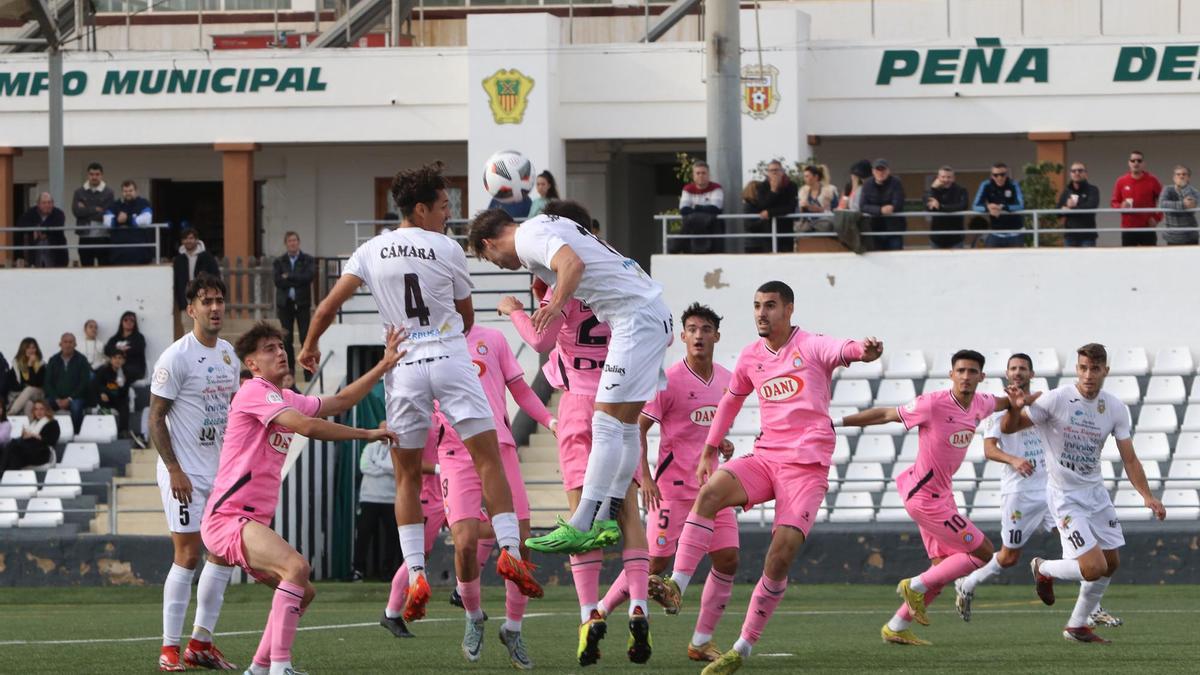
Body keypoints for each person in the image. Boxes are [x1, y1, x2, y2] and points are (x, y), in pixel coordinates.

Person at [299, 161, 541, 625]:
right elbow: (467, 318)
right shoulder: (446, 248)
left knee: (407, 474)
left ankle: (415, 572)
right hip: (451, 359)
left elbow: (327, 306)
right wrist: (448, 334)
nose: (448, 215)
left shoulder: (369, 250)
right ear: (421, 208)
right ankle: (510, 549)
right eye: (444, 206)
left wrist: (310, 345)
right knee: (488, 458)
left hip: (405, 366)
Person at [470, 200, 673, 663]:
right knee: (621, 427)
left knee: (606, 422)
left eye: (489, 259)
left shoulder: (530, 239)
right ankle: (599, 521)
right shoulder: (555, 226)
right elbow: (578, 256)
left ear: (488, 243)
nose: (499, 265)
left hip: (630, 326)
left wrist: (549, 305)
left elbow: (572, 265)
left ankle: (583, 524)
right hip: (645, 316)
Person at [654, 281, 882, 675]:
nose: (762, 313)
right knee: (709, 494)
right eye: (757, 305)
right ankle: (676, 583)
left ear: (789, 310)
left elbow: (844, 349)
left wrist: (863, 351)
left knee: (779, 558)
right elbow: (730, 399)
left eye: (771, 306)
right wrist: (709, 448)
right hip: (766, 457)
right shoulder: (749, 356)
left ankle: (740, 648)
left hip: (806, 469)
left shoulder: (810, 345)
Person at [200, 322, 403, 675]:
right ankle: (281, 667)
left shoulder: (284, 398)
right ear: (252, 364)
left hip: (246, 521)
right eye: (269, 348)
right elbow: (307, 427)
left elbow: (340, 401)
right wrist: (367, 433)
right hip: (228, 518)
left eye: (281, 346)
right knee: (296, 568)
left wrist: (383, 365)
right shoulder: (253, 391)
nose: (281, 352)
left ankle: (259, 668)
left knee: (302, 590)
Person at [495, 199, 626, 667]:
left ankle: (589, 612)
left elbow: (540, 339)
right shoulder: (618, 277)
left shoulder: (558, 278)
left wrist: (516, 309)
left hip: (577, 404)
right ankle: (636, 610)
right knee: (629, 523)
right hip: (620, 399)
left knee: (577, 525)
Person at [840, 350, 1017, 647]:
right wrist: (835, 423)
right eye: (960, 370)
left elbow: (1003, 402)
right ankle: (915, 585)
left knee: (941, 567)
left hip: (942, 497)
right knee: (984, 552)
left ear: (981, 377)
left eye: (972, 371)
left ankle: (896, 626)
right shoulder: (933, 404)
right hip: (924, 497)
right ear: (951, 374)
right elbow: (885, 414)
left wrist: (1019, 399)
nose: (965, 376)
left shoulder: (981, 403)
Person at [598, 302, 738, 664]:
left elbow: (712, 428)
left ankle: (702, 641)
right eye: (692, 329)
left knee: (727, 559)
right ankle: (600, 610)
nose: (698, 336)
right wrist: (644, 476)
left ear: (716, 336)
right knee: (655, 563)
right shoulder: (669, 380)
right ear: (683, 337)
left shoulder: (727, 379)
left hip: (715, 488)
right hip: (673, 487)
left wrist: (722, 444)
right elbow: (638, 428)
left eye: (705, 329)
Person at [1003, 343, 1166, 643]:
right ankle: (1043, 567)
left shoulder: (1115, 407)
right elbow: (1010, 427)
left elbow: (1129, 458)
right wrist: (1015, 409)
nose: (1088, 375)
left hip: (1095, 493)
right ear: (1076, 369)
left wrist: (1147, 495)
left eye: (1094, 369)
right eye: (1083, 368)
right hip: (1065, 497)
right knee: (1093, 568)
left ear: (1106, 371)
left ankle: (1077, 626)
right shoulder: (1057, 399)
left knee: (1111, 563)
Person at [431, 323, 555, 668]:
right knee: (465, 542)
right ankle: (473, 615)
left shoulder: (493, 338)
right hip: (456, 453)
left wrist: (551, 420)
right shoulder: (425, 343)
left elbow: (520, 390)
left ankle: (513, 628)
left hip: (499, 447)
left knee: (521, 541)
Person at [147, 275, 241, 672]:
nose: (215, 308)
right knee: (186, 556)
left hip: (218, 474)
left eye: (220, 300)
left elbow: (232, 411)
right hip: (183, 473)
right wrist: (174, 469)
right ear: (192, 310)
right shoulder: (175, 357)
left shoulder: (229, 355)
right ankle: (169, 647)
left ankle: (200, 642)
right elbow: (155, 418)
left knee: (222, 556)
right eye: (207, 302)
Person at [380, 418, 445, 640]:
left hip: (447, 492)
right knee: (416, 557)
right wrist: (442, 468)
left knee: (481, 530)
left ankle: (465, 596)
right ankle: (391, 613)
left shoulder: (444, 409)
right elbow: (406, 463)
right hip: (426, 498)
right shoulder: (416, 417)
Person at [353, 421, 399, 582]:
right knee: (364, 533)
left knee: (392, 536)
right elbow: (364, 467)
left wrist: (378, 464)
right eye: (382, 428)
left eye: (387, 428)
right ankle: (358, 569)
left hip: (391, 498)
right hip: (369, 497)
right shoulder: (370, 447)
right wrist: (385, 468)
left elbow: (396, 469)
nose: (384, 431)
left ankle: (388, 571)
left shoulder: (397, 449)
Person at [273, 232, 315, 373]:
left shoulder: (307, 259)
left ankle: (308, 372)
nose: (293, 243)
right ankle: (289, 372)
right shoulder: (279, 261)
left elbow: (308, 277)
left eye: (295, 240)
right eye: (290, 241)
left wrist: (289, 276)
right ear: (286, 243)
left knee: (305, 338)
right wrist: (297, 279)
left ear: (299, 242)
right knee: (286, 339)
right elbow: (278, 281)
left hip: (302, 303)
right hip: (285, 304)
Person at [744, 160, 800, 252]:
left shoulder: (791, 185)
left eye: (776, 170)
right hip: (768, 231)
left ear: (782, 171)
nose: (774, 172)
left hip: (785, 231)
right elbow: (762, 206)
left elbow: (790, 207)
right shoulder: (763, 186)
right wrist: (773, 191)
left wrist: (770, 212)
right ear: (768, 173)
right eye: (771, 170)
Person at [1111, 151, 1162, 247]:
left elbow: (1163, 201)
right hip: (1128, 229)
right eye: (1133, 160)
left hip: (1147, 228)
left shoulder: (1152, 180)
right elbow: (1114, 202)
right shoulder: (1121, 181)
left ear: (1143, 164)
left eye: (1139, 160)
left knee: (1150, 259)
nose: (1136, 163)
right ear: (1129, 163)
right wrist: (1120, 206)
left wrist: (1157, 218)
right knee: (1128, 260)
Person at [43, 333, 90, 434]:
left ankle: (76, 433)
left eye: (71, 342)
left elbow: (84, 383)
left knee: (76, 408)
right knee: (43, 407)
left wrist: (69, 399)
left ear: (75, 344)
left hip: (76, 397)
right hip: (56, 397)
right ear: (60, 344)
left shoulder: (82, 360)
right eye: (65, 342)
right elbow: (47, 382)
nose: (68, 345)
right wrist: (56, 398)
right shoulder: (53, 360)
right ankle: (48, 433)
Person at [973, 162, 1025, 248]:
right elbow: (975, 206)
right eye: (995, 175)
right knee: (990, 259)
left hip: (1015, 233)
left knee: (1017, 260)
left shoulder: (1014, 184)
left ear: (1006, 175)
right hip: (995, 233)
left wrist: (1002, 207)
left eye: (1002, 174)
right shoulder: (986, 185)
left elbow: (1021, 205)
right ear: (991, 175)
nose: (999, 177)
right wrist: (988, 207)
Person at [0, 400, 59, 476]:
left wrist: (36, 436)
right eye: (36, 409)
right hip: (28, 451)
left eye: (41, 409)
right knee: (13, 455)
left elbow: (52, 441)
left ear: (46, 410)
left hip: (41, 453)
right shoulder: (33, 423)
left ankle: (2, 473)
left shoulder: (52, 423)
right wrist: (24, 436)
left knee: (13, 446)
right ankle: (9, 479)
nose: (38, 412)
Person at [73, 162, 115, 267]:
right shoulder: (79, 192)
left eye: (97, 174)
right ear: (88, 175)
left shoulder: (109, 192)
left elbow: (106, 214)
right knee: (86, 271)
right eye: (91, 174)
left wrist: (86, 209)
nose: (94, 177)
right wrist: (95, 209)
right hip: (84, 236)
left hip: (104, 236)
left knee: (105, 271)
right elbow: (77, 212)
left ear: (102, 175)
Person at [858, 159, 906, 251]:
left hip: (894, 229)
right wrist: (880, 210)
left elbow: (899, 202)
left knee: (897, 256)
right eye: (877, 170)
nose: (880, 173)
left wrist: (892, 207)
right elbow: (863, 206)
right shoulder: (867, 184)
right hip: (874, 229)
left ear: (888, 171)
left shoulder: (896, 182)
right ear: (873, 171)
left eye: (883, 170)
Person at [679, 161, 725, 254]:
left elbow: (716, 209)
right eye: (698, 173)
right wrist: (704, 209)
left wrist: (695, 208)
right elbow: (683, 210)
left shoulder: (716, 188)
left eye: (704, 173)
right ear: (693, 175)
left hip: (712, 230)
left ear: (709, 175)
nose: (701, 175)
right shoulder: (687, 189)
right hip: (692, 231)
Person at [173, 228, 221, 319]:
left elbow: (215, 277)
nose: (188, 241)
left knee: (204, 327)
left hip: (204, 300)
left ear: (196, 240)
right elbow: (176, 282)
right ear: (182, 241)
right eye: (185, 239)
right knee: (187, 328)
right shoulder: (178, 260)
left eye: (191, 238)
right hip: (186, 302)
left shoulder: (207, 258)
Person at [104, 180, 154, 265]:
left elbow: (147, 219)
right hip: (118, 254)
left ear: (136, 191)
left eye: (130, 191)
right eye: (125, 191)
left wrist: (127, 219)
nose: (128, 193)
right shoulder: (115, 204)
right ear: (122, 192)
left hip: (140, 253)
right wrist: (117, 220)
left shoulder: (143, 203)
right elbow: (106, 221)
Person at [17, 192, 68, 268]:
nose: (47, 205)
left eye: (49, 202)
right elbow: (20, 223)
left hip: (55, 254)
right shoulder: (31, 212)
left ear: (53, 203)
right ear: (38, 204)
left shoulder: (58, 213)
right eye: (44, 203)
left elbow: (58, 224)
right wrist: (35, 228)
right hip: (35, 254)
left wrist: (40, 230)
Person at [924, 166, 970, 249]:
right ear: (938, 178)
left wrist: (941, 207)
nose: (946, 180)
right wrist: (933, 188)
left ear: (954, 178)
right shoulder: (933, 190)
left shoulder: (961, 190)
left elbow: (963, 206)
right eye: (943, 177)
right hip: (936, 239)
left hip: (956, 239)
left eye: (949, 177)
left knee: (957, 262)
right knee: (936, 262)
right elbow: (928, 206)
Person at [1057, 162, 1101, 247]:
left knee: (1088, 260)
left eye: (1080, 171)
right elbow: (1057, 211)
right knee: (1069, 260)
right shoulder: (1067, 191)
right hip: (1070, 236)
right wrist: (1065, 207)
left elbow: (1091, 207)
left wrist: (1071, 209)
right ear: (1070, 174)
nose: (1077, 173)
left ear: (1085, 174)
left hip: (1087, 236)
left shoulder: (1093, 190)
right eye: (1074, 171)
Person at [1157, 164, 1200, 246]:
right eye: (1178, 174)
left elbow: (1191, 205)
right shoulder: (1167, 189)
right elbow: (1162, 204)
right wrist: (1182, 204)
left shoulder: (1194, 191)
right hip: (1172, 236)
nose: (1181, 176)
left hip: (1190, 236)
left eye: (1184, 174)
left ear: (1188, 177)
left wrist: (1184, 187)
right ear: (1174, 177)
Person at [92, 351, 130, 434]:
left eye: (120, 358)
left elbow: (125, 392)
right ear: (111, 360)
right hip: (106, 398)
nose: (117, 360)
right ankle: (104, 430)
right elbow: (97, 384)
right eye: (115, 358)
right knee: (103, 405)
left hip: (119, 398)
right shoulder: (103, 370)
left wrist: (122, 384)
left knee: (124, 407)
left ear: (124, 361)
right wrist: (102, 393)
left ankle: (123, 431)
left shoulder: (126, 372)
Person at [6, 337, 45, 417]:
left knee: (29, 389)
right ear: (23, 349)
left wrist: (30, 365)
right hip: (22, 396)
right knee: (28, 404)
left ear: (36, 349)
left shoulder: (41, 364)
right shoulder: (17, 364)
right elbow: (13, 385)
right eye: (28, 348)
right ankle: (33, 427)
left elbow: (35, 383)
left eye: (33, 348)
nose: (31, 350)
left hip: (38, 394)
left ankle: (11, 413)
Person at [104, 311, 147, 383]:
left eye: (132, 320)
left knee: (122, 374)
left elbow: (137, 350)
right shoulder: (115, 338)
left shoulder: (139, 338)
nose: (129, 322)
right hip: (116, 367)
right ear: (121, 322)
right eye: (126, 319)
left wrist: (118, 351)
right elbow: (107, 350)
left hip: (133, 368)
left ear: (135, 323)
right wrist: (121, 351)